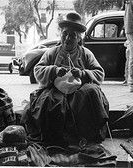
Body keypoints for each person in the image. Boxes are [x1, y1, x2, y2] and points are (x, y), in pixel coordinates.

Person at [25, 12, 109, 147]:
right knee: (51, 101)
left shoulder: (86, 54)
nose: (68, 38)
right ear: (61, 35)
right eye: (65, 34)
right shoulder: (51, 52)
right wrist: (54, 70)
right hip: (55, 89)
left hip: (80, 90)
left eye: (73, 35)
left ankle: (85, 136)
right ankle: (57, 138)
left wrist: (82, 73)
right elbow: (38, 70)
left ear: (79, 39)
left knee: (91, 93)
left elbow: (99, 73)